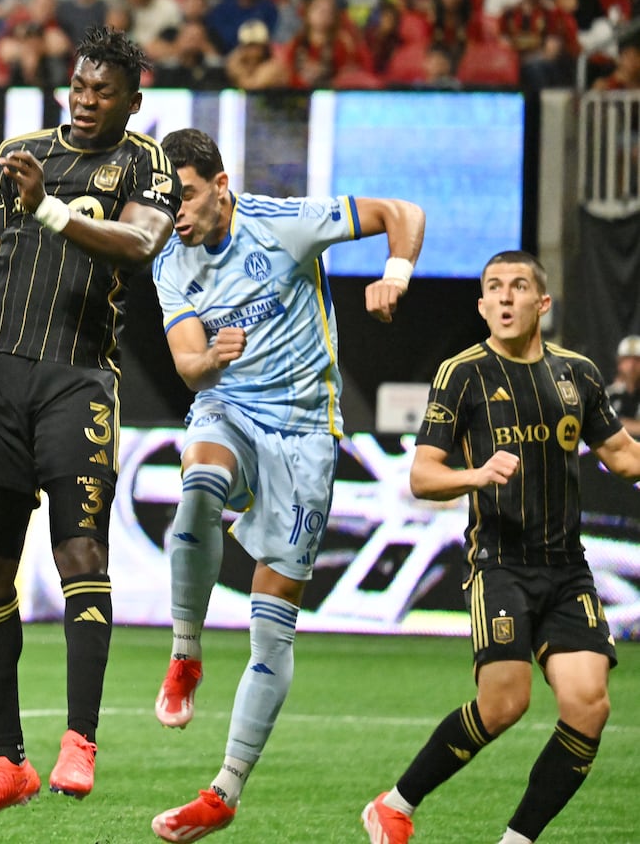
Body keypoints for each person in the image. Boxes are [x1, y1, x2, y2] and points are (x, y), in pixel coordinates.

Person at [0, 26, 181, 831]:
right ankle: (6, 762)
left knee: (80, 553)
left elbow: (139, 243)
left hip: (78, 379)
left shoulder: (146, 161)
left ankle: (81, 741)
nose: (85, 98)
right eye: (78, 83)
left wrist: (52, 209)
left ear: (133, 99)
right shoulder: (20, 151)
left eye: (103, 90)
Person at [147, 127, 426, 842]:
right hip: (229, 407)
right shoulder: (171, 261)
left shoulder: (286, 225)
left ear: (220, 185)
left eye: (183, 195)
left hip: (305, 437)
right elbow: (186, 364)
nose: (175, 212)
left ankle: (224, 793)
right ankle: (185, 653)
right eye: (165, 199)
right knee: (199, 485)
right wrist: (213, 356)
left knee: (273, 630)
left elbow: (404, 212)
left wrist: (396, 269)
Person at [363, 250, 640, 844]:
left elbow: (622, 457)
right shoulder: (461, 373)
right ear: (483, 306)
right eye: (495, 288)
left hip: (567, 570)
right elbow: (421, 476)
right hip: (500, 565)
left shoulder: (579, 374)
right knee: (504, 704)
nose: (507, 297)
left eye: (519, 287)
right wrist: (477, 474)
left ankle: (517, 841)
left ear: (542, 303)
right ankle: (394, 804)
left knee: (589, 706)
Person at [607, 334, 640, 436]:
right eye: (627, 359)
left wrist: (619, 423)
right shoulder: (610, 394)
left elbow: (610, 424)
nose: (631, 366)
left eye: (637, 360)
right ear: (619, 363)